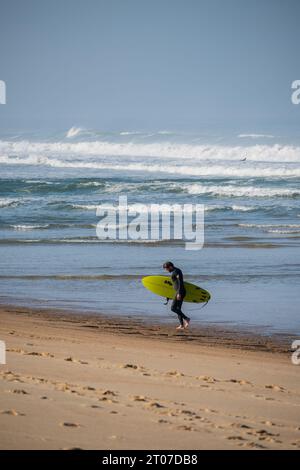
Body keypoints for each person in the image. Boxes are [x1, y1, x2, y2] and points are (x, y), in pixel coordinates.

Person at [163, 261, 190, 330]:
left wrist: (179, 293)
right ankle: (182, 325)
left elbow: (180, 282)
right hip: (178, 291)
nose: (166, 270)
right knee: (178, 309)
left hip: (180, 292)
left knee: (173, 308)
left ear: (170, 267)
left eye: (166, 269)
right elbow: (175, 284)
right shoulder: (174, 271)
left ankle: (186, 318)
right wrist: (168, 296)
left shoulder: (177, 271)